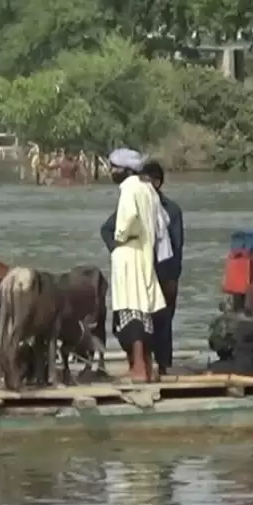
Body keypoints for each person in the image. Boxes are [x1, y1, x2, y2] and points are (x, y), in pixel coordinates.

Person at [106, 148, 168, 381]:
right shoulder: (148, 189)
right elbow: (162, 222)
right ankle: (147, 367)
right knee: (146, 310)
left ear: (125, 170)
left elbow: (129, 218)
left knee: (131, 311)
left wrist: (120, 235)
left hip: (130, 255)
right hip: (145, 253)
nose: (111, 172)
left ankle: (139, 368)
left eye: (114, 167)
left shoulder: (129, 188)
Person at [139, 160, 183, 375]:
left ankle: (163, 366)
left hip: (164, 273)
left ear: (156, 182)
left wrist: (172, 277)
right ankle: (143, 362)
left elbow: (177, 245)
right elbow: (109, 229)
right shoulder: (136, 205)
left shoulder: (171, 210)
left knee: (164, 321)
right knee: (142, 320)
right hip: (142, 272)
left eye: (146, 180)